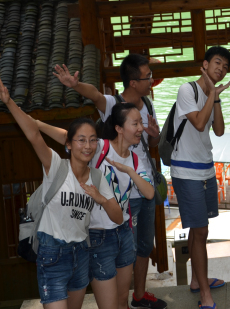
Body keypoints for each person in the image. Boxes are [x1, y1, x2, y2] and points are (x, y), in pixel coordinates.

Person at [53, 54, 166, 309]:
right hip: (123, 194)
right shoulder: (114, 104)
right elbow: (94, 95)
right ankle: (118, 299)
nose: (151, 80)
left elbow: (152, 143)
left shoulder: (147, 104)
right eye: (147, 76)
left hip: (143, 181)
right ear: (133, 81)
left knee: (144, 246)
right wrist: (75, 85)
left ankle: (139, 295)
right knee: (125, 248)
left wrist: (154, 135)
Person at [0, 77, 122, 309]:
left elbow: (117, 217)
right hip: (52, 253)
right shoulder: (56, 165)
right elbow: (34, 136)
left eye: (92, 140)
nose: (87, 146)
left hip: (81, 252)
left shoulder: (97, 177)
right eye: (81, 140)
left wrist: (101, 199)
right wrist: (8, 102)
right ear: (69, 144)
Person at [36, 103, 155, 309]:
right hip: (99, 236)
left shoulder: (135, 160)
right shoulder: (100, 147)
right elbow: (69, 137)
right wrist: (37, 124)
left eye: (141, 123)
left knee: (122, 300)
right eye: (135, 123)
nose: (141, 128)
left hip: (124, 232)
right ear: (119, 128)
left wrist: (129, 171)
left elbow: (149, 193)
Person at [170, 46, 230, 309]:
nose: (221, 69)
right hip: (186, 172)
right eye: (217, 63)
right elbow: (198, 123)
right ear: (205, 64)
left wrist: (215, 97)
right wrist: (210, 93)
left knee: (200, 231)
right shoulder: (187, 90)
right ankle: (204, 294)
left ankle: (198, 280)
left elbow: (218, 130)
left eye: (225, 67)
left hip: (206, 169)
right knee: (200, 230)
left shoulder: (211, 95)